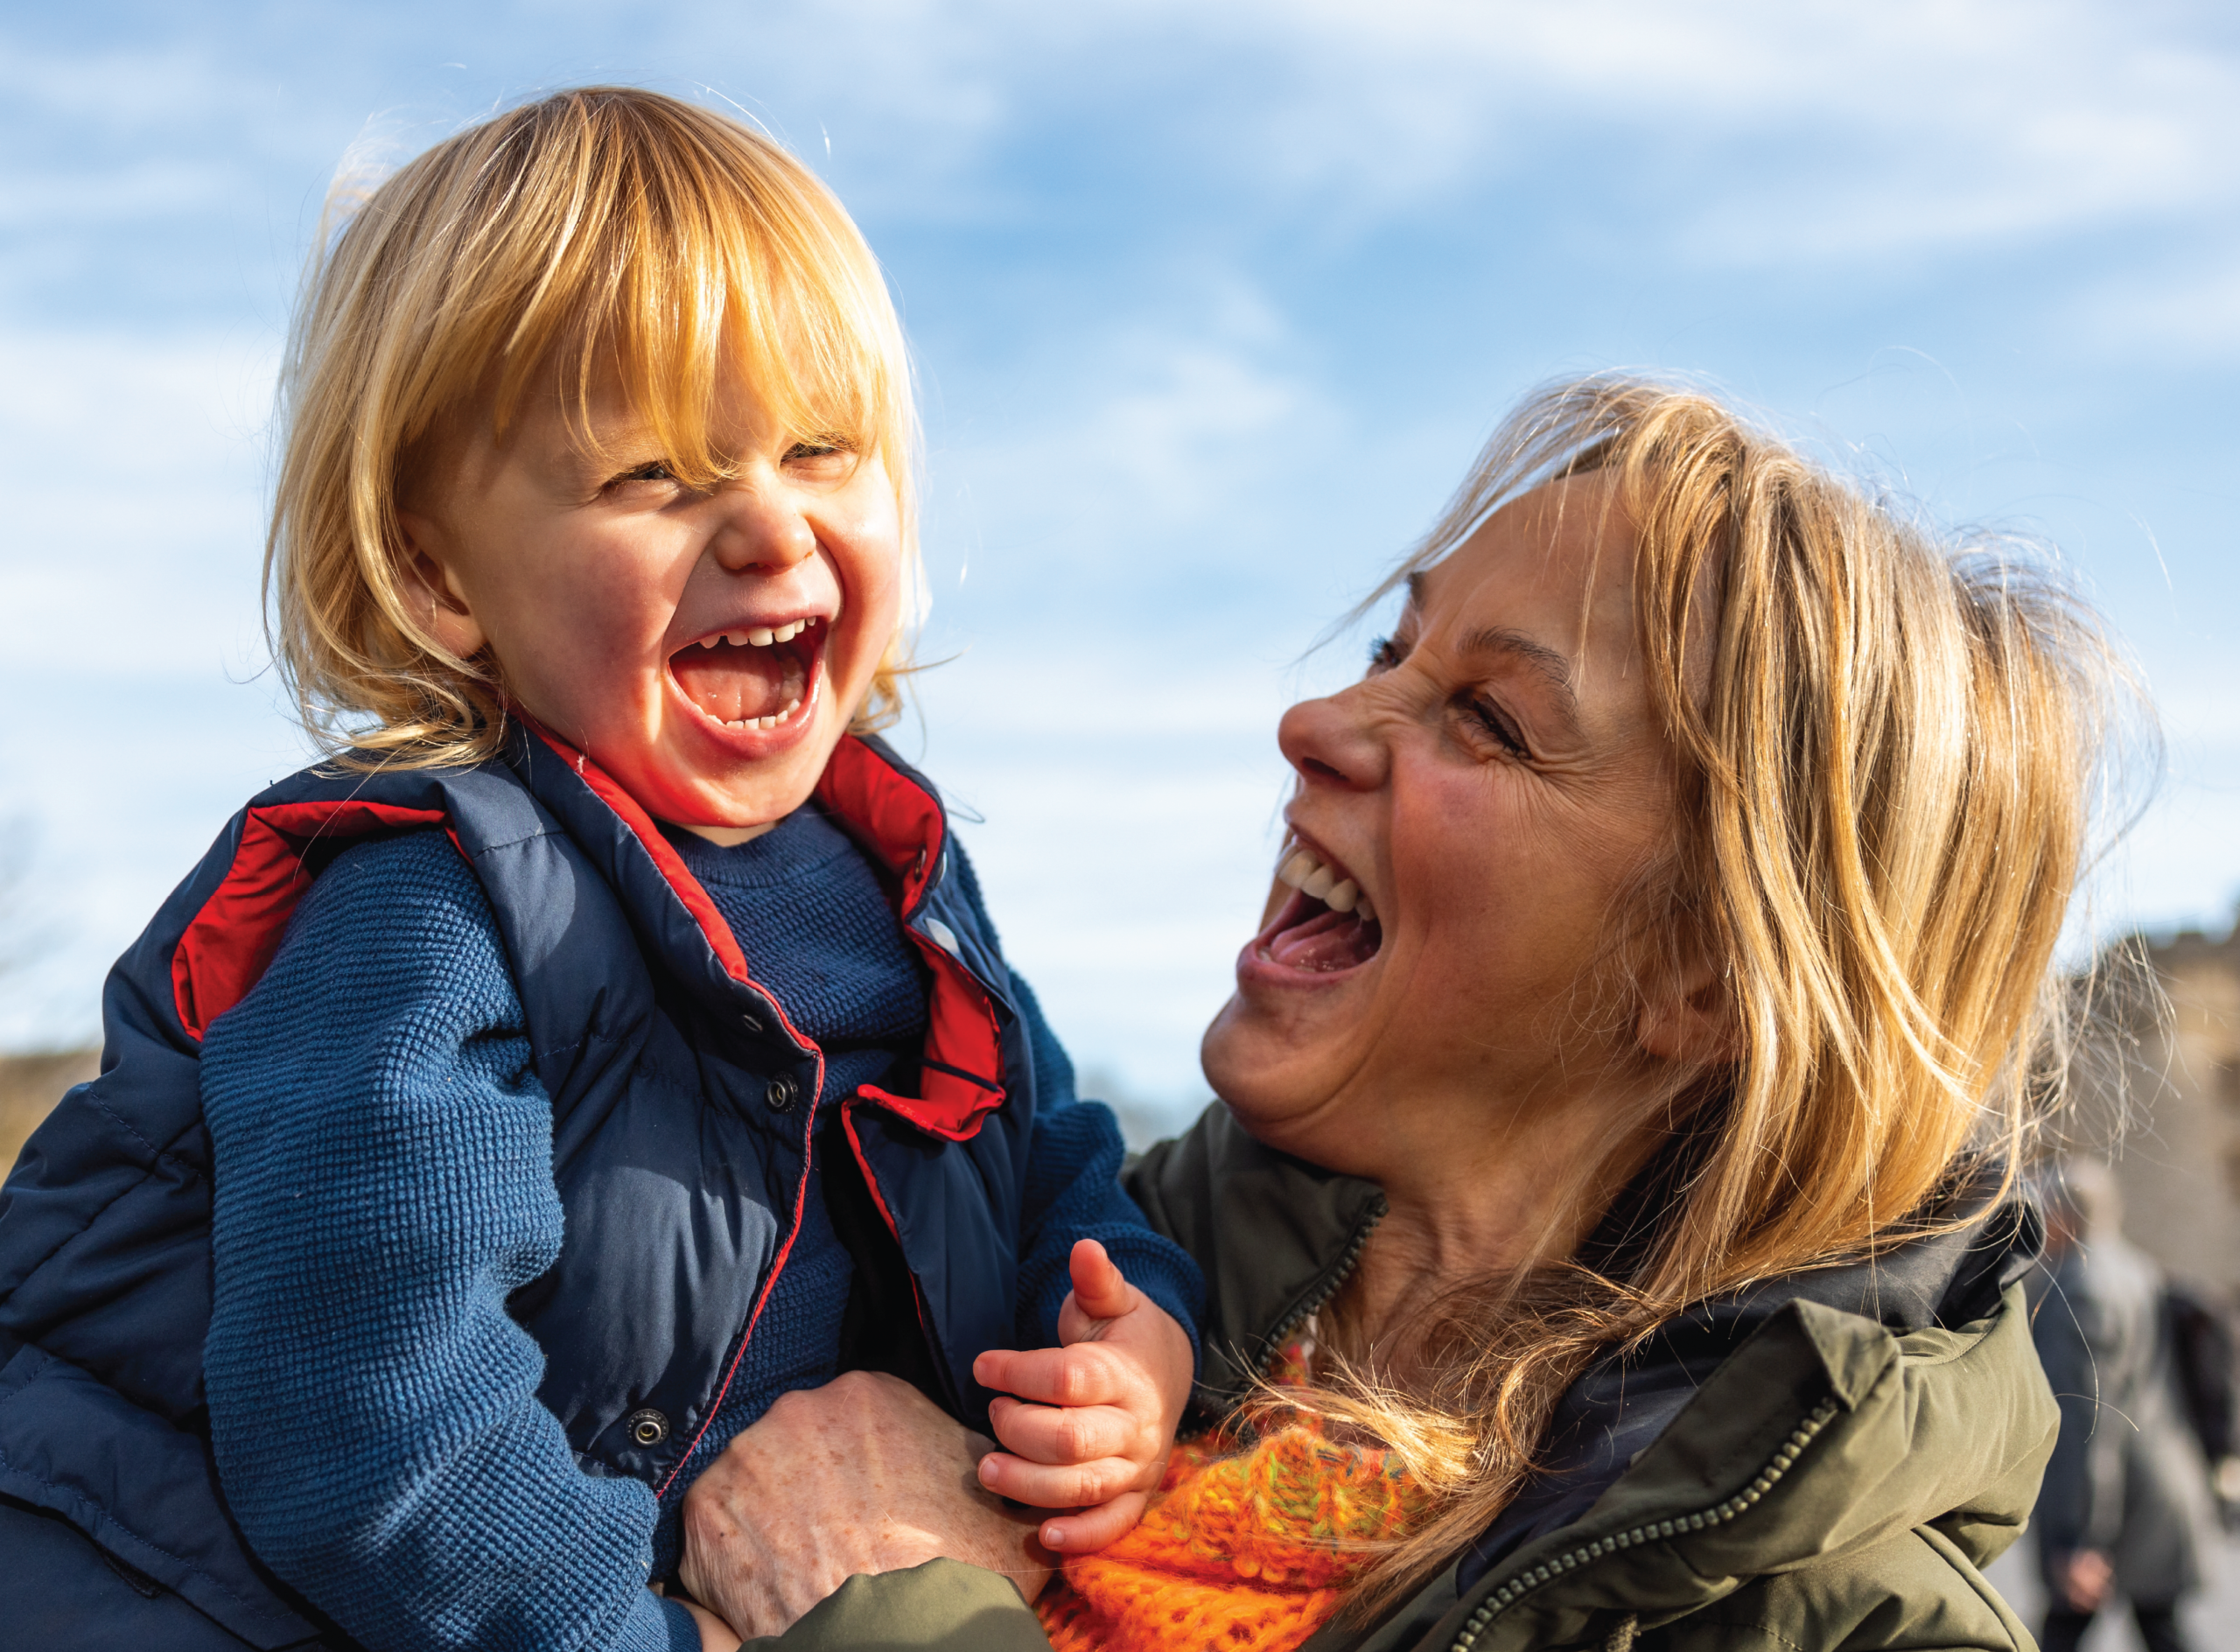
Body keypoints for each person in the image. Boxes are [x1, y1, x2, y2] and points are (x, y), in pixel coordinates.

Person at [662, 374, 2136, 1652]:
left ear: (1709, 979)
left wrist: (896, 1608)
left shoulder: (1865, 1626)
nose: (1311, 726)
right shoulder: (1068, 1280)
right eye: (1391, 654)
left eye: (1487, 719)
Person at [0, 88, 1202, 1652]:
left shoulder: (898, 881)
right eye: (653, 478)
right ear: (438, 575)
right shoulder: (433, 909)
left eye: (821, 450)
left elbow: (1051, 1155)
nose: (771, 529)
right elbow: (373, 1427)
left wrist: (1129, 1342)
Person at [2032, 1158, 2218, 1652]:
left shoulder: (2079, 1290)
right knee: (2159, 1629)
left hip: (2121, 1501)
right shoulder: (2137, 1269)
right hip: (2160, 1484)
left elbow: (2086, 1422)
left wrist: (2077, 1538)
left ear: (2062, 1217)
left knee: (2070, 1631)